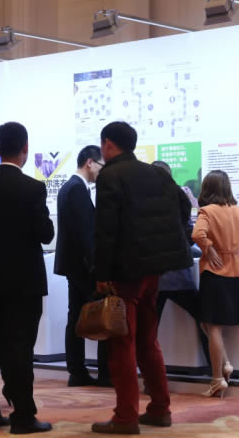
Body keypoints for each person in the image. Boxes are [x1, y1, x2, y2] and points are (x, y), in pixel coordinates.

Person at [91, 121, 191, 435]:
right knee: (148, 339)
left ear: (108, 144)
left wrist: (101, 273)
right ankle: (160, 408)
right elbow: (184, 206)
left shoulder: (110, 175)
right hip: (154, 269)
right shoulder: (157, 173)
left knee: (122, 343)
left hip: (126, 271)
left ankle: (125, 417)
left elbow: (106, 230)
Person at [0, 122, 55, 434]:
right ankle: (23, 416)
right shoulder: (33, 188)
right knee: (20, 348)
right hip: (24, 280)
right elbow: (46, 234)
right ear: (25, 148)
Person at [191, 170, 239, 399]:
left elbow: (197, 234)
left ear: (207, 189)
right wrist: (232, 254)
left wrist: (209, 248)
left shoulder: (207, 211)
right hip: (235, 272)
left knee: (213, 326)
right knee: (208, 325)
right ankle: (226, 364)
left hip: (214, 273)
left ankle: (217, 379)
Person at [54, 145, 111, 387]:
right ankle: (105, 373)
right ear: (90, 162)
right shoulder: (77, 189)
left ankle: (77, 371)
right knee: (104, 315)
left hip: (73, 265)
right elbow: (86, 234)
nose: (102, 171)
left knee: (76, 316)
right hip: (84, 266)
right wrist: (97, 267)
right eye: (101, 166)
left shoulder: (70, 187)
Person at [151, 161, 211, 371]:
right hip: (178, 272)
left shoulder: (144, 198)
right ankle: (215, 368)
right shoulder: (178, 196)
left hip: (153, 276)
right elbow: (188, 232)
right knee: (204, 316)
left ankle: (151, 378)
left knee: (149, 330)